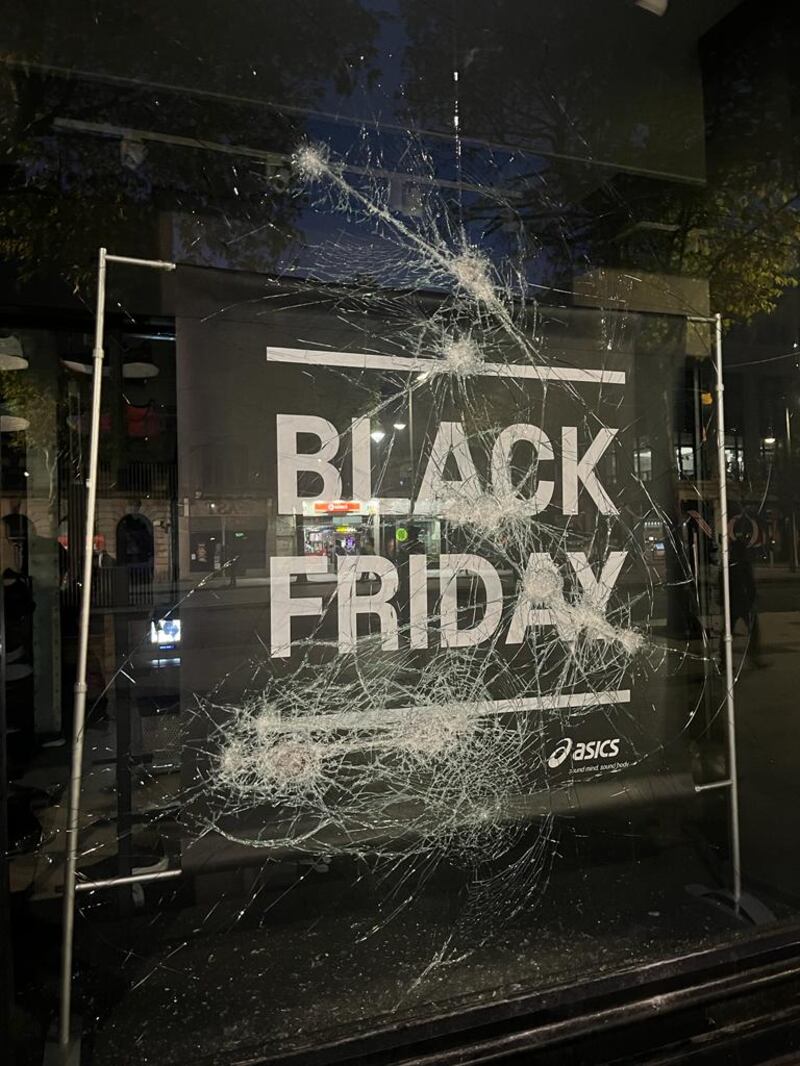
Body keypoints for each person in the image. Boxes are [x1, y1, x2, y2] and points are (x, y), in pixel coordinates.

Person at [726, 535, 766, 667]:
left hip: (732, 604)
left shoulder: (729, 565)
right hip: (744, 603)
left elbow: (724, 584)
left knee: (728, 632)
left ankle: (724, 658)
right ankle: (753, 656)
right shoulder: (744, 564)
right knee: (753, 631)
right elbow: (750, 584)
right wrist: (753, 598)